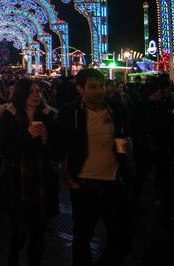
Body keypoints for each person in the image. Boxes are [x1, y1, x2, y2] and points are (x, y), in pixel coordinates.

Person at [57, 68, 132, 266]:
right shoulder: (69, 112)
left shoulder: (115, 108)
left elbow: (122, 137)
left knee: (123, 238)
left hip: (113, 183)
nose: (99, 91)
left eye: (101, 86)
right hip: (84, 185)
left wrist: (126, 150)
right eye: (93, 87)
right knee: (82, 238)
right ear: (80, 89)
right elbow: (61, 149)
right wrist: (70, 179)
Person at [0, 78, 58, 266]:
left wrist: (47, 141)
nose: (36, 95)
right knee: (17, 233)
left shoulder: (49, 116)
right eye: (31, 92)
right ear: (21, 94)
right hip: (17, 181)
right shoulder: (8, 116)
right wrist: (27, 136)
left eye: (38, 91)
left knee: (38, 234)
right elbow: (3, 149)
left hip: (42, 180)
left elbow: (56, 153)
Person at [130, 80, 172, 220]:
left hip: (152, 147)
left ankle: (155, 203)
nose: (160, 94)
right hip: (149, 147)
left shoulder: (156, 106)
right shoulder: (149, 108)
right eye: (158, 92)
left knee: (150, 176)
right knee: (145, 176)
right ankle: (137, 202)